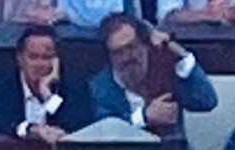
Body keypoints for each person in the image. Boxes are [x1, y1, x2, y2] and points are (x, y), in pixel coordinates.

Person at [89, 13, 217, 135]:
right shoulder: (100, 87)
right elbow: (105, 133)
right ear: (109, 56)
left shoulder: (165, 69)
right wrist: (143, 118)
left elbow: (207, 101)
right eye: (118, 52)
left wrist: (180, 54)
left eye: (131, 47)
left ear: (144, 44)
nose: (127, 57)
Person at [0, 25, 91, 144]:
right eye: (33, 57)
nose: (39, 64)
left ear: (56, 60)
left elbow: (76, 125)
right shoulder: (0, 83)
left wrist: (48, 96)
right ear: (20, 58)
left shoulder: (74, 84)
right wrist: (32, 131)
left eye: (46, 57)